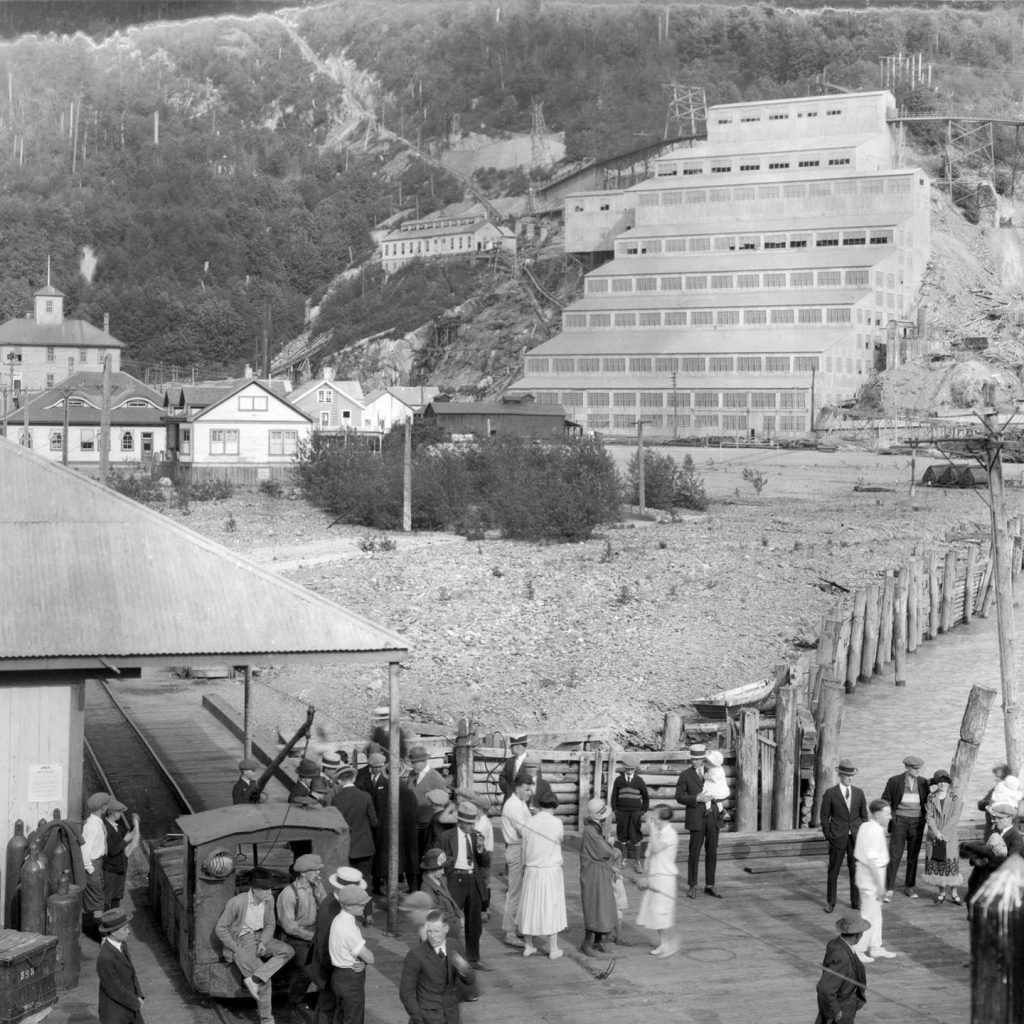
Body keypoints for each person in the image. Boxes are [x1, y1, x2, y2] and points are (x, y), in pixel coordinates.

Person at [214, 867, 295, 1024]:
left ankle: (255, 978)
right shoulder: (237, 902)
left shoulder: (268, 900)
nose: (269, 893)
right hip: (242, 940)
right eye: (265, 890)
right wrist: (236, 948)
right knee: (266, 982)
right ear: (255, 890)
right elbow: (220, 928)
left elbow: (270, 924)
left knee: (288, 951)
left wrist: (264, 942)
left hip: (260, 937)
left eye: (270, 889)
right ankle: (267, 1020)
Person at [439, 801, 492, 970]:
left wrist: (481, 849)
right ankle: (446, 957)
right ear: (459, 822)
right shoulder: (446, 837)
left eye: (472, 823)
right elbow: (437, 860)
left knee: (474, 922)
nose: (471, 826)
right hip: (455, 879)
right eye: (468, 823)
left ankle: (473, 958)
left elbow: (485, 863)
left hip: (472, 880)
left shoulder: (476, 836)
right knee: (451, 920)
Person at [310, 867, 367, 1024]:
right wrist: (345, 965)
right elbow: (324, 948)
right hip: (331, 970)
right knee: (328, 1009)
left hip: (335, 969)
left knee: (333, 1009)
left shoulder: (338, 904)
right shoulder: (330, 912)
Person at [399, 909, 476, 1024]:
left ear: (446, 929)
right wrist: (418, 1017)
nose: (432, 936)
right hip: (427, 1016)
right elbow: (406, 992)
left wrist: (463, 968)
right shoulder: (415, 955)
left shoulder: (453, 945)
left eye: (436, 931)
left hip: (451, 1015)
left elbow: (470, 981)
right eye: (429, 931)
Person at [518, 790, 567, 961]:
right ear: (554, 806)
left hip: (532, 869)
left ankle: (528, 945)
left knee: (530, 905)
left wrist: (525, 866)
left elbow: (524, 847)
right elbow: (559, 840)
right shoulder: (557, 823)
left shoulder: (529, 822)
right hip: (549, 870)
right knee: (551, 905)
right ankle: (553, 948)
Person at [277, 853, 327, 1018]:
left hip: (313, 932)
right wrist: (312, 937)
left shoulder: (316, 886)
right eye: (315, 870)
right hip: (296, 938)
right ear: (303, 873)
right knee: (307, 971)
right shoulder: (289, 894)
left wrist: (319, 889)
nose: (318, 873)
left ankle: (322, 1004)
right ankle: (293, 1003)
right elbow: (290, 927)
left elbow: (325, 908)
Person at [330, 765, 378, 926]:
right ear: (354, 779)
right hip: (365, 846)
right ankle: (369, 913)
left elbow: (335, 825)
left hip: (346, 848)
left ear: (339, 781)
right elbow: (374, 822)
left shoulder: (336, 799)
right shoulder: (365, 796)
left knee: (346, 881)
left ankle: (349, 914)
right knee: (366, 880)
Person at [820, 758, 868, 914]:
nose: (850, 778)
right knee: (833, 871)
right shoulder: (830, 793)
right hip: (837, 837)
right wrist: (829, 835)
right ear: (840, 775)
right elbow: (824, 816)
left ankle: (855, 902)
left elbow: (864, 816)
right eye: (847, 775)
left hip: (855, 837)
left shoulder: (859, 793)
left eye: (852, 775)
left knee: (855, 870)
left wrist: (861, 833)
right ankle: (831, 902)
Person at [674, 744, 722, 898]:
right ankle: (692, 885)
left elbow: (722, 789)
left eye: (699, 759)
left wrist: (718, 797)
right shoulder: (685, 775)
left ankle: (710, 885)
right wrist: (696, 798)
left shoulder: (713, 770)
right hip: (696, 818)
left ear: (704, 758)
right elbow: (679, 797)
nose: (695, 762)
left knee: (712, 852)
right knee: (694, 852)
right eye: (693, 759)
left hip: (712, 817)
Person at [851, 799, 897, 963]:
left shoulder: (866, 826)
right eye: (887, 814)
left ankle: (875, 946)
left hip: (869, 873)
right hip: (871, 875)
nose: (890, 817)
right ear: (877, 815)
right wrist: (879, 886)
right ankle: (858, 948)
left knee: (876, 913)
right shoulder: (874, 831)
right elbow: (871, 860)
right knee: (868, 914)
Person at [880, 754, 930, 900]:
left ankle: (909, 887)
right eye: (914, 768)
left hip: (917, 822)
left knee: (913, 856)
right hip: (899, 821)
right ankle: (888, 888)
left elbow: (928, 801)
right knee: (895, 855)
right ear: (907, 767)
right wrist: (890, 817)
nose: (917, 771)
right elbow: (884, 800)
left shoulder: (923, 782)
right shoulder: (894, 781)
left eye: (919, 768)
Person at [635, 805, 679, 957]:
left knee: (663, 912)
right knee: (655, 912)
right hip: (655, 876)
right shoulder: (658, 832)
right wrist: (646, 876)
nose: (652, 818)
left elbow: (657, 848)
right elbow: (649, 855)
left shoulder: (670, 833)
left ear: (662, 818)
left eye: (655, 815)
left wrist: (652, 830)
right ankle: (664, 943)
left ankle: (670, 944)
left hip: (665, 877)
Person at [328, 884, 375, 1024]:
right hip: (350, 979)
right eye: (360, 905)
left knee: (342, 1016)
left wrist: (362, 962)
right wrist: (365, 961)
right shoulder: (347, 927)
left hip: (340, 975)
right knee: (354, 1018)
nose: (364, 907)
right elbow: (370, 958)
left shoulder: (340, 919)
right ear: (348, 906)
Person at [962, 802, 1024, 906]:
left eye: (1000, 818)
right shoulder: (995, 831)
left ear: (1010, 818)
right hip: (979, 879)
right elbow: (986, 849)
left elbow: (1010, 862)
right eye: (995, 817)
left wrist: (986, 861)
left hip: (995, 883)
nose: (995, 820)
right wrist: (975, 859)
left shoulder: (1016, 837)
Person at [579, 797, 618, 957]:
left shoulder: (595, 827)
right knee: (593, 907)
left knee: (602, 906)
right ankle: (587, 942)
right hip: (592, 874)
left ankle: (598, 940)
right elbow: (602, 850)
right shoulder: (590, 831)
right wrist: (614, 851)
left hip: (600, 873)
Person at [500, 772, 533, 948]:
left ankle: (517, 925)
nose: (530, 792)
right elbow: (524, 831)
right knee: (514, 892)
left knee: (522, 891)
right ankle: (509, 931)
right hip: (516, 848)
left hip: (522, 849)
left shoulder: (521, 803)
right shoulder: (513, 805)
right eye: (527, 789)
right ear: (518, 788)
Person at [815, 916, 869, 1024]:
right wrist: (836, 1012)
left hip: (845, 1005)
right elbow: (825, 988)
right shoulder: (841, 955)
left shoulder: (837, 943)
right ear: (858, 935)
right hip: (841, 1007)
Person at [921, 770, 963, 906]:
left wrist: (942, 833)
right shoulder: (930, 797)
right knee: (938, 864)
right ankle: (942, 892)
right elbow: (929, 816)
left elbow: (955, 817)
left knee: (951, 864)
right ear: (936, 783)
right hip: (934, 834)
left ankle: (954, 893)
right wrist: (936, 832)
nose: (942, 784)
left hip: (949, 835)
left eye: (945, 781)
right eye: (940, 782)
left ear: (948, 783)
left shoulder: (955, 797)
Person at [96, 907, 144, 1023]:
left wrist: (139, 995)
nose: (129, 931)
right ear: (113, 931)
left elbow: (132, 974)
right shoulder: (105, 957)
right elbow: (114, 988)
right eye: (125, 929)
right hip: (116, 1015)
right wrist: (135, 1002)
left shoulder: (122, 945)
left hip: (130, 1009)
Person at [408, 746, 448, 869]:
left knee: (425, 855)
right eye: (412, 762)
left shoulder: (436, 778)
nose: (412, 765)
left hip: (428, 825)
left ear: (423, 761)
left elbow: (443, 800)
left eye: (415, 763)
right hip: (413, 823)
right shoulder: (411, 775)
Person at [357, 752, 390, 893]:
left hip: (383, 824)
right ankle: (375, 882)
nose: (377, 769)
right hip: (370, 823)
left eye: (380, 766)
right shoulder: (364, 778)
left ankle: (381, 882)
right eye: (375, 767)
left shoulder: (387, 781)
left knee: (383, 854)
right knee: (374, 854)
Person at [611, 752, 649, 874]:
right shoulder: (618, 780)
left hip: (635, 813)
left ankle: (637, 862)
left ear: (635, 769)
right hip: (621, 813)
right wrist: (615, 810)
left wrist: (642, 811)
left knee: (635, 836)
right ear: (624, 768)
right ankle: (623, 860)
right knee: (622, 836)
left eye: (631, 769)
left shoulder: (639, 781)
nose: (628, 771)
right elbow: (614, 797)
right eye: (626, 769)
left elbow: (646, 797)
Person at [102, 799, 140, 911]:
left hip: (120, 868)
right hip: (110, 870)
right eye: (119, 812)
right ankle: (105, 924)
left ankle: (114, 922)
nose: (121, 814)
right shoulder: (105, 828)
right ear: (113, 813)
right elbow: (112, 851)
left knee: (117, 897)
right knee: (107, 899)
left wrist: (136, 825)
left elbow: (131, 841)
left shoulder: (118, 827)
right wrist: (125, 839)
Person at [415, 849, 463, 938]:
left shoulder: (441, 880)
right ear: (431, 870)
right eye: (441, 868)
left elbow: (451, 900)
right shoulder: (426, 889)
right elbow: (436, 914)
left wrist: (460, 915)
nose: (443, 871)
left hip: (452, 925)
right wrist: (457, 924)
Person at [82, 792, 110, 933]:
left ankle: (100, 933)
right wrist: (90, 869)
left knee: (97, 901)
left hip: (97, 864)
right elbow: (85, 850)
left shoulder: (95, 822)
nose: (107, 807)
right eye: (106, 804)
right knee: (98, 902)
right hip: (93, 865)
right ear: (101, 807)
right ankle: (102, 936)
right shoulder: (94, 825)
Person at [978, 763, 1012, 836]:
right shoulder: (994, 790)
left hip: (1005, 832)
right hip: (991, 831)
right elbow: (980, 805)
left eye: (998, 776)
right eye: (995, 776)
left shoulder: (1012, 792)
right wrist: (988, 803)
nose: (995, 779)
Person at [497, 733, 530, 803]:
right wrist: (509, 791)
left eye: (512, 746)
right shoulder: (509, 761)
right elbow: (502, 778)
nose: (510, 748)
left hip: (525, 802)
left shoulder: (531, 762)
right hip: (509, 800)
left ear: (518, 747)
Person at [701, 749, 730, 822]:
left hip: (715, 787)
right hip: (715, 787)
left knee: (708, 796)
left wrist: (706, 777)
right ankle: (721, 811)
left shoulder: (717, 770)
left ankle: (709, 809)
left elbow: (714, 778)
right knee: (717, 801)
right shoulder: (715, 768)